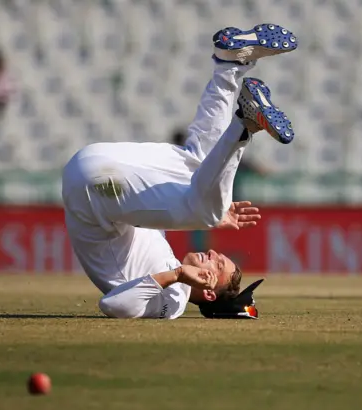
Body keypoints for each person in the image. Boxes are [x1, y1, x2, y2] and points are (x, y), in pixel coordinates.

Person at [62, 24, 298, 319]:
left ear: (209, 291)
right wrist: (207, 211)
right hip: (97, 171)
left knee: (207, 213)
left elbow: (113, 306)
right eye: (219, 258)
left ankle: (245, 123)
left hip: (94, 190)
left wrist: (177, 274)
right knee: (200, 161)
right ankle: (230, 63)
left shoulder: (173, 301)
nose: (213, 255)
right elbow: (149, 210)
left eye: (218, 265)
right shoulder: (167, 258)